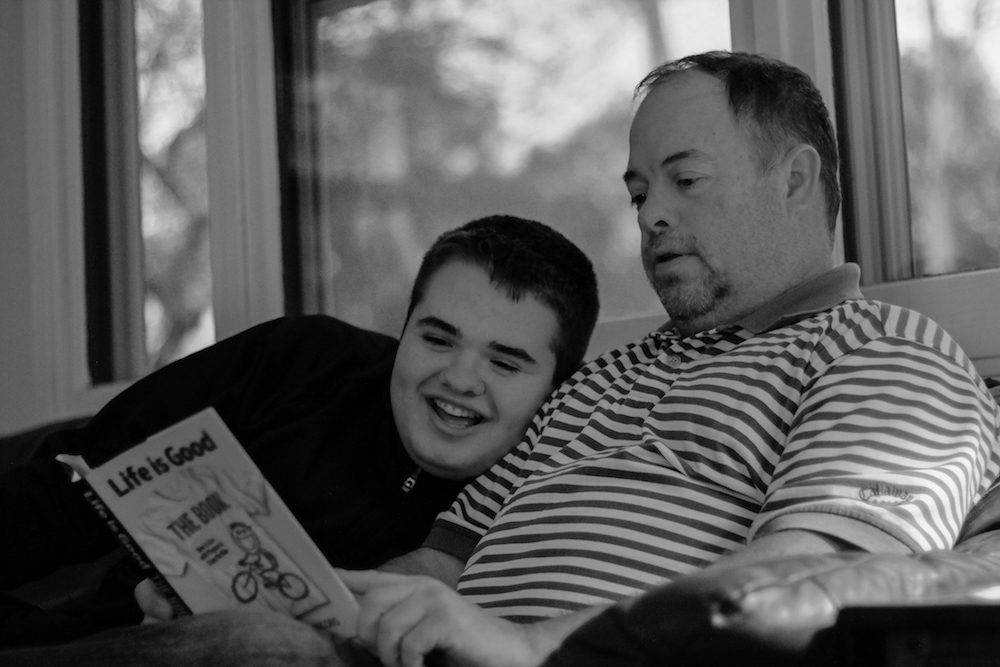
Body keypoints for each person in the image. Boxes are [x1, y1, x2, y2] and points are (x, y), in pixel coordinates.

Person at [330, 50, 1000, 667]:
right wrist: (346, 604)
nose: (650, 215)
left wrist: (526, 644)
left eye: (686, 179)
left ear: (795, 179)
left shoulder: (886, 353)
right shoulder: (601, 375)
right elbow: (442, 561)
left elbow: (801, 586)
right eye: (640, 191)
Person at [0, 214, 600, 651]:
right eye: (436, 338)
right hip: (90, 640)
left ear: (558, 387)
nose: (459, 379)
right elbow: (63, 492)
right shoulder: (301, 361)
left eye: (505, 362)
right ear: (405, 328)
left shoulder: (541, 511)